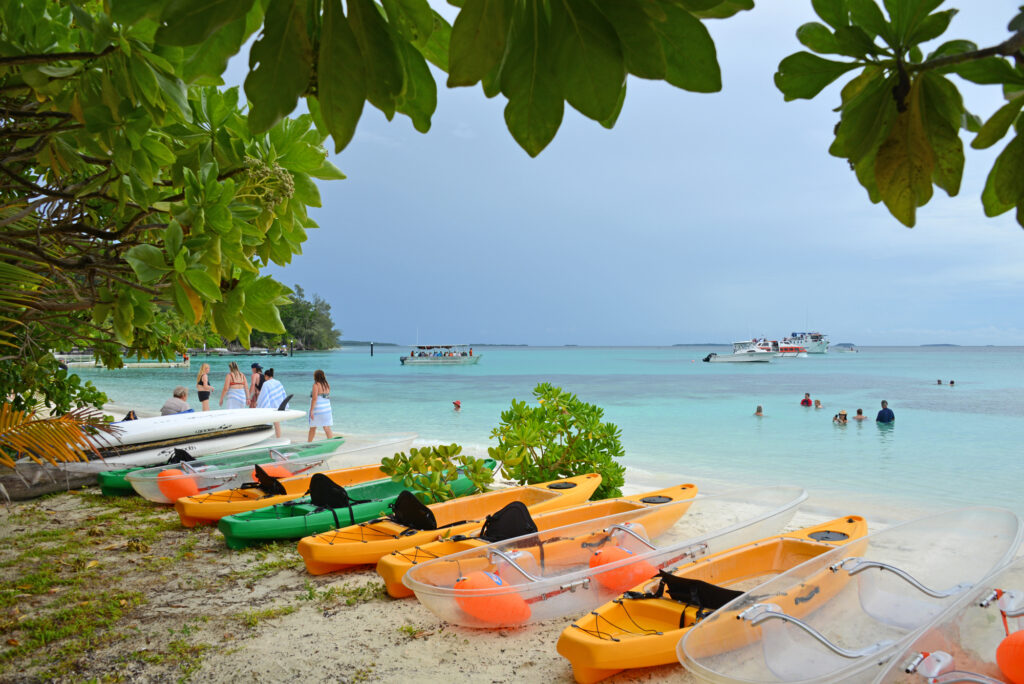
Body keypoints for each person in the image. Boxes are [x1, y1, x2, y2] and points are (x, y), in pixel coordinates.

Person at [255, 368, 288, 437]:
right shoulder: (278, 382)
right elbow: (283, 393)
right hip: (278, 406)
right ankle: (278, 438)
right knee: (277, 424)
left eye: (265, 377)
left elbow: (263, 396)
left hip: (270, 407)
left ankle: (267, 439)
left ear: (266, 376)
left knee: (266, 424)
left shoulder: (266, 384)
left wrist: (257, 403)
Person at [308, 369, 334, 442]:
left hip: (318, 409)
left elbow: (314, 399)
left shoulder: (316, 385)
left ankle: (309, 443)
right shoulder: (327, 384)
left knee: (313, 427)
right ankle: (331, 442)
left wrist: (311, 410)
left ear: (315, 376)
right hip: (327, 409)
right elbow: (326, 396)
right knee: (327, 427)